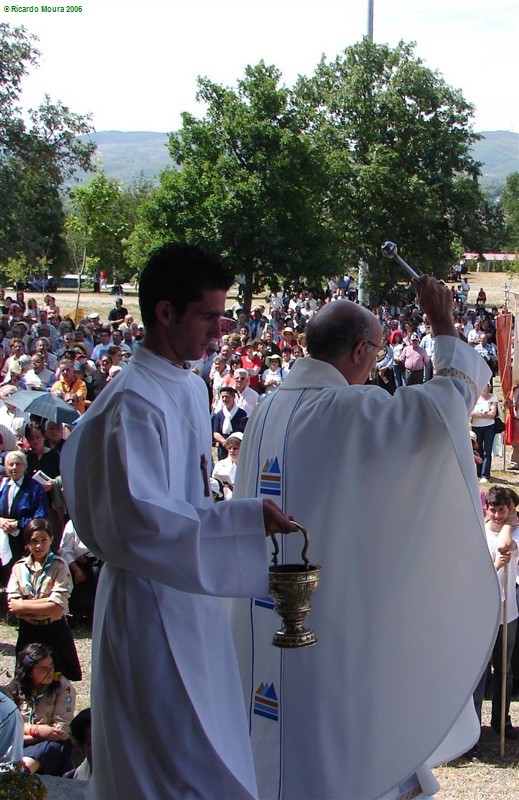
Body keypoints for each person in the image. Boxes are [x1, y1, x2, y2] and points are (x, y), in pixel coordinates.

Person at [230, 277, 500, 800]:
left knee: (273, 746)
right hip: (326, 625)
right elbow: (445, 408)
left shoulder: (265, 409)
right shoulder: (345, 411)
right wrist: (443, 324)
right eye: (376, 351)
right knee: (332, 755)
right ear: (360, 351)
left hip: (264, 623)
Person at [60, 242, 297, 800]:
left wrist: (237, 514)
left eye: (223, 314)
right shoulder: (133, 403)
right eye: (208, 316)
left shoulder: (189, 384)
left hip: (193, 594)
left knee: (211, 749)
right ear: (165, 312)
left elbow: (185, 498)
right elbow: (142, 523)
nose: (220, 330)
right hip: (148, 604)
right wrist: (241, 523)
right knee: (166, 765)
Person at [7, 518, 81, 681]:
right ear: (27, 543)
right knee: (26, 679)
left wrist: (24, 605)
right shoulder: (19, 568)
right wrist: (43, 604)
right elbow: (13, 605)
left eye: (43, 540)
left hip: (54, 630)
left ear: (51, 539)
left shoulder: (59, 566)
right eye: (33, 541)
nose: (38, 545)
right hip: (28, 631)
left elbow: (56, 607)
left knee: (58, 680)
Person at [473, 486, 519, 741]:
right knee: (480, 672)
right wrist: (493, 566)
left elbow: (506, 545)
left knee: (505, 669)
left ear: (509, 509)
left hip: (507, 612)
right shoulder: (479, 534)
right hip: (482, 612)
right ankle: (474, 729)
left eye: (503, 510)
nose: (498, 515)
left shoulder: (513, 533)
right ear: (487, 509)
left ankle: (502, 722)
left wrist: (509, 524)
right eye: (493, 510)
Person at [4, 643, 76, 776]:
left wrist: (25, 733)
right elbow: (6, 722)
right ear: (30, 672)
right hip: (21, 741)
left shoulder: (64, 688)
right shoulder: (16, 687)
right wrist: (37, 731)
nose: (50, 672)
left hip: (46, 744)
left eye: (51, 666)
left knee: (53, 746)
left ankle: (19, 773)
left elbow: (60, 731)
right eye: (43, 669)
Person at [470, 383, 498, 484]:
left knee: (487, 451)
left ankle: (485, 474)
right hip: (476, 427)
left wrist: (479, 415)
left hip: (489, 427)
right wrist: (484, 414)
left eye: (485, 387)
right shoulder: (475, 397)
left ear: (488, 387)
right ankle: (478, 471)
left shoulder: (493, 398)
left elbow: (492, 414)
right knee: (478, 449)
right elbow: (471, 413)